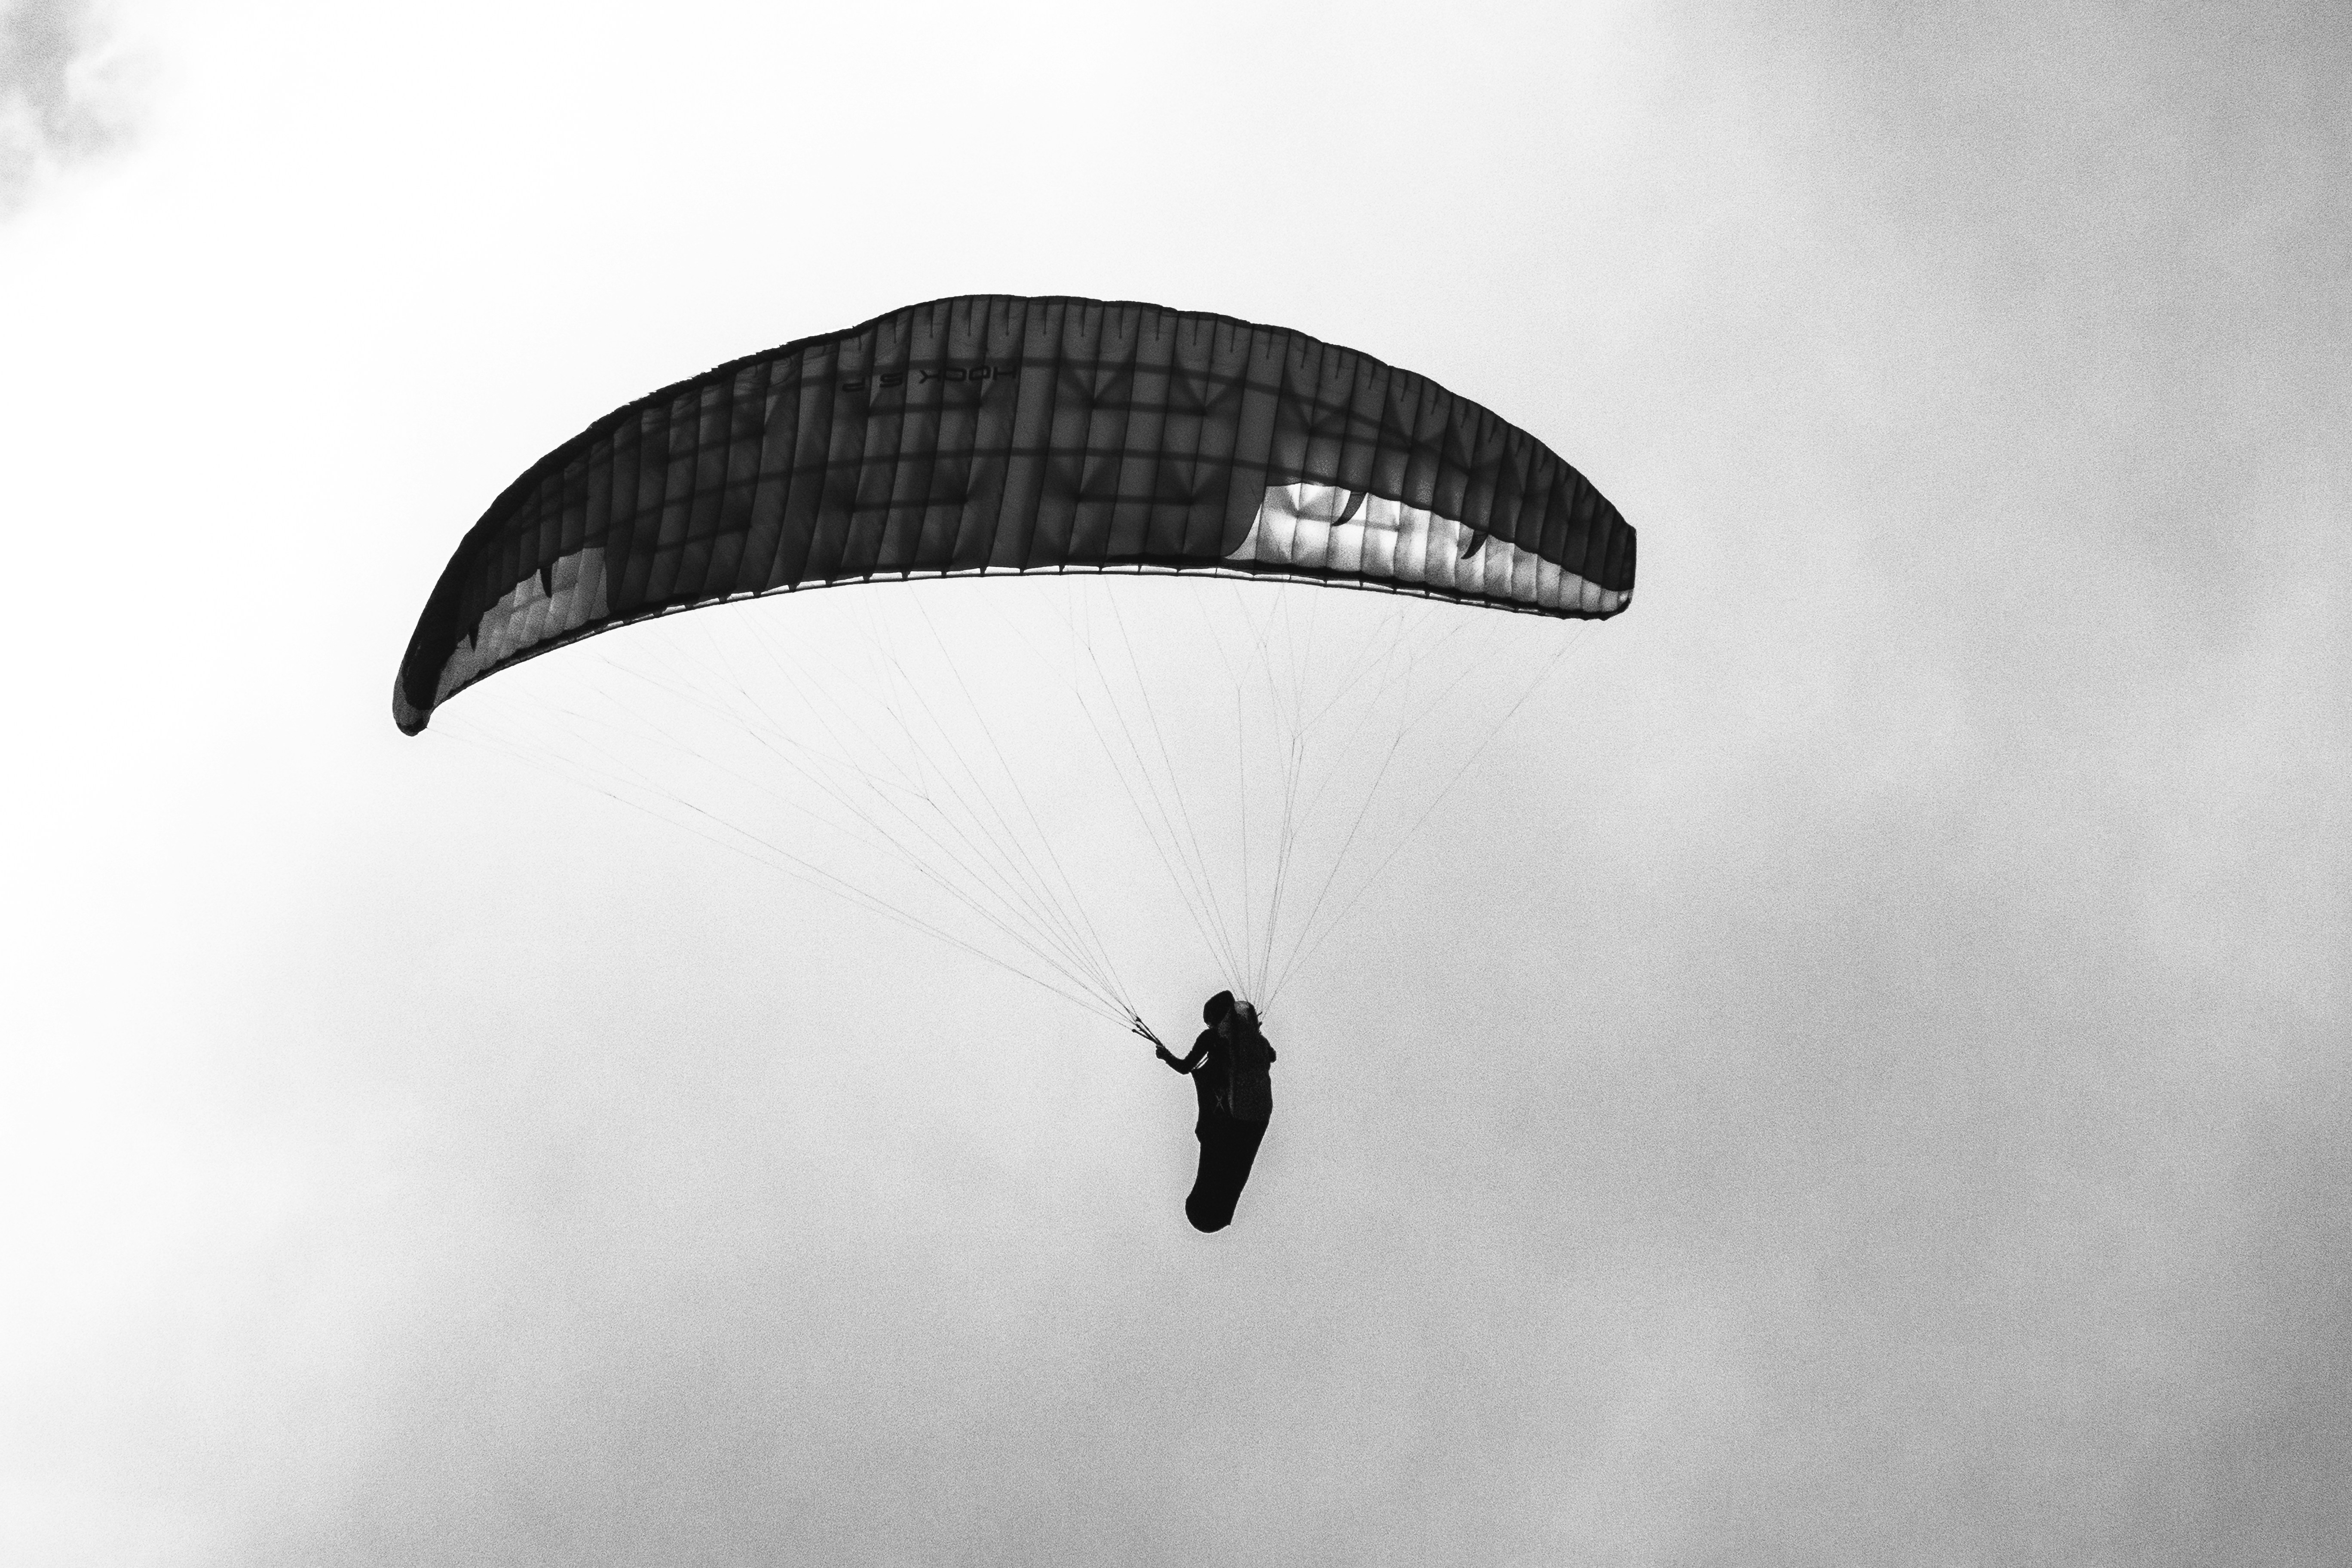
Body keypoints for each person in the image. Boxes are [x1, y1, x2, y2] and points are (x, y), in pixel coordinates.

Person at [1156, 990, 1276, 1232]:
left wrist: (1164, 1055)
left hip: (1228, 1117)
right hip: (1255, 1114)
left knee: (1215, 1161)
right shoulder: (1254, 1039)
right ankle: (1214, 1206)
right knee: (1229, 1162)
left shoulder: (1210, 1038)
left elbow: (1184, 1067)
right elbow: (1272, 1057)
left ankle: (1209, 1207)